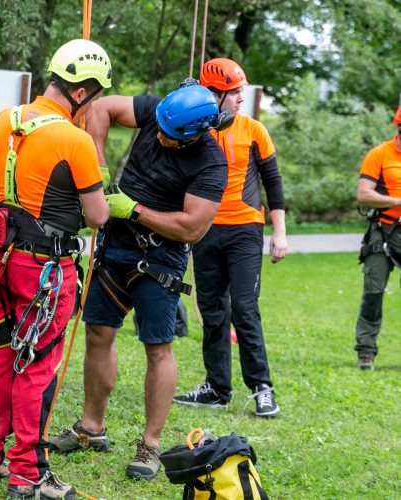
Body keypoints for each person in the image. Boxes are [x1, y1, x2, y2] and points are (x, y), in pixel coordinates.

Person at [48, 83, 228, 480]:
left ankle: (150, 442)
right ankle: (91, 428)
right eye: (158, 126)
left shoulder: (211, 162)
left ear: (195, 134)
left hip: (160, 258)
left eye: (169, 136)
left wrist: (134, 211)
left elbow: (192, 228)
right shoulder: (161, 112)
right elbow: (100, 109)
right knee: (97, 331)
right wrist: (97, 166)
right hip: (116, 248)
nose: (159, 135)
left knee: (157, 347)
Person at [0, 39, 111, 500]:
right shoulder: (74, 139)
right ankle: (28, 472)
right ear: (84, 91)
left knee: (0, 351)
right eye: (96, 96)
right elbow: (98, 216)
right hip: (46, 269)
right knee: (36, 364)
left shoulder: (1, 120)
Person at [174, 58, 287, 417]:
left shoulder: (255, 130)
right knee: (212, 311)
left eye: (241, 91)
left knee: (244, 309)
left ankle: (262, 388)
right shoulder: (194, 131)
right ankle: (217, 388)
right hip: (204, 231)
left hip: (245, 231)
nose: (240, 98)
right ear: (213, 94)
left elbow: (274, 184)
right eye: (233, 92)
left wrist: (279, 233)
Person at [354, 103, 401, 371]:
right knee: (373, 293)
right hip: (383, 233)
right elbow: (363, 193)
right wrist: (397, 200)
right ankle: (366, 351)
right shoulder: (380, 154)